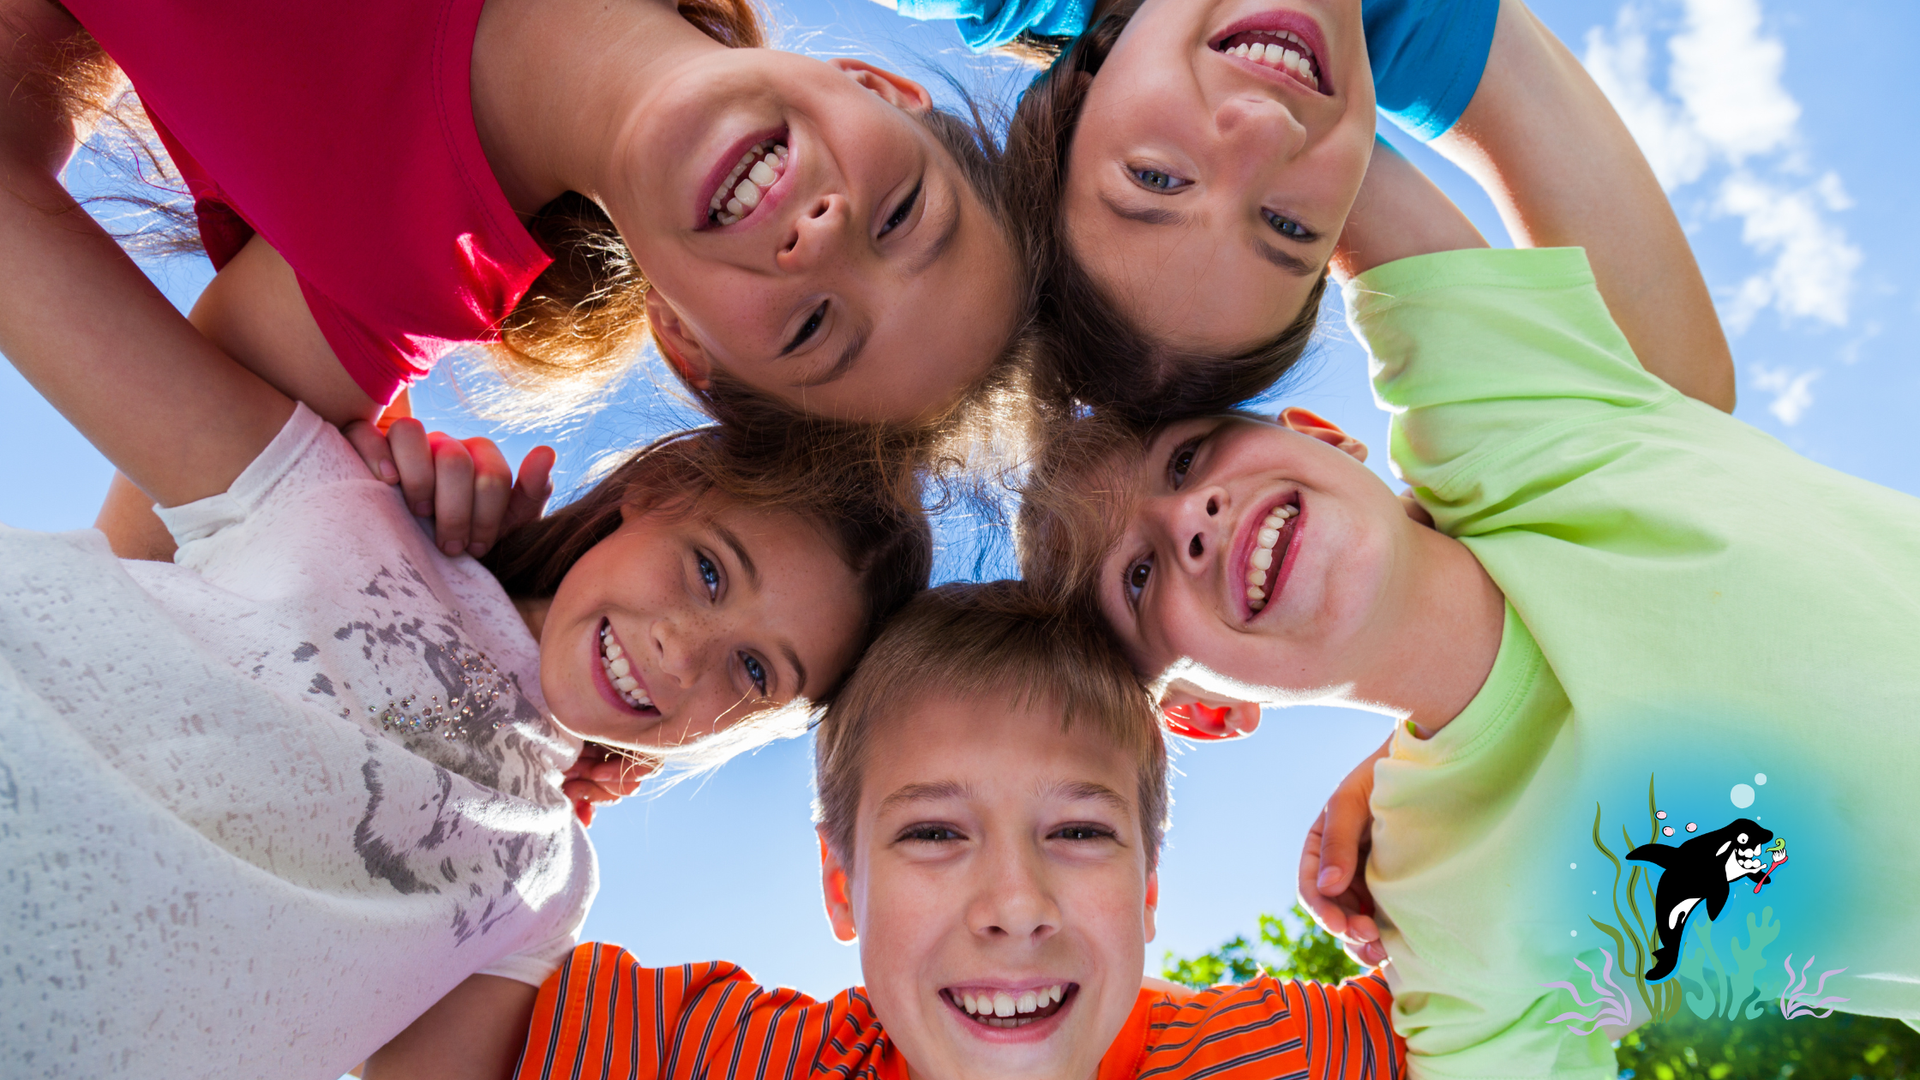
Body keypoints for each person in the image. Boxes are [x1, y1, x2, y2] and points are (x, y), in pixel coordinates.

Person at [1016, 81, 1920, 1080]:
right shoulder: (1438, 898)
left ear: (1322, 436)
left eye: (1187, 461)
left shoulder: (1520, 441)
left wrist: (1111, 68)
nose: (1191, 522)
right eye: (1139, 579)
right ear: (1201, 716)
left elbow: (1298, 146)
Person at [0, 242, 933, 1076]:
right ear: (655, 490)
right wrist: (357, 397)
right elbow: (40, 261)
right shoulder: (346, 498)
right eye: (707, 571)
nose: (684, 653)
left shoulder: (541, 891)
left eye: (757, 673)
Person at [0, 0, 1033, 554]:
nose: (824, 240)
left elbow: (125, 594)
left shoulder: (384, 285)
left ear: (683, 336)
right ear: (879, 85)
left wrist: (416, 567)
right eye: (905, 217)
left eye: (812, 329)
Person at [362, 582, 1404, 1079]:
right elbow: (376, 984)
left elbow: (1563, 961)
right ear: (842, 886)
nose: (1013, 908)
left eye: (1080, 833)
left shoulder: (1301, 1061)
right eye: (935, 835)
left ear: (1147, 890)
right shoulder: (739, 1064)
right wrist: (521, 683)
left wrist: (1441, 780)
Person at [983, 0, 1727, 428]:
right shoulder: (1398, 25)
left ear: (1073, 94)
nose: (1272, 133)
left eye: (1156, 178)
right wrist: (1331, 124)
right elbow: (1678, 410)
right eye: (1288, 228)